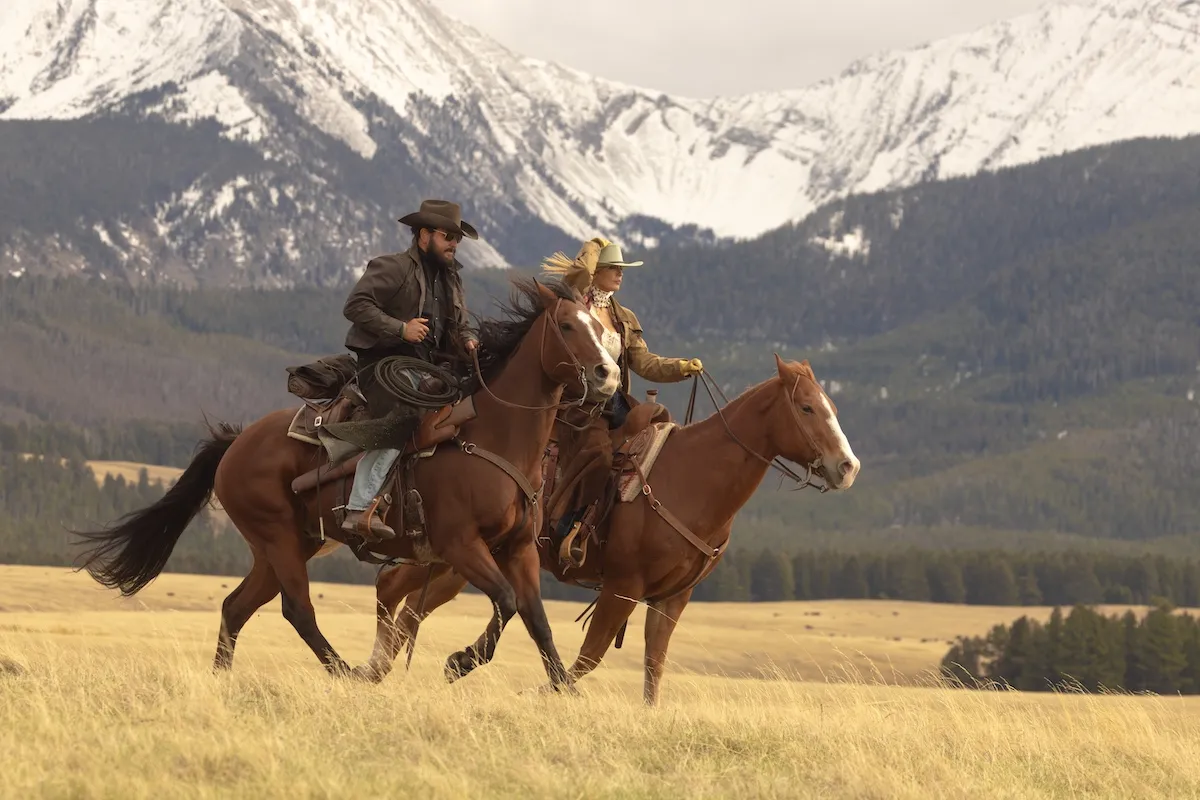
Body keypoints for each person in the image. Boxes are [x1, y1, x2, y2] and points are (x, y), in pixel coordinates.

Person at [541, 237, 703, 564]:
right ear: (597, 270)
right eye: (613, 268)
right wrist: (594, 248)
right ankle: (569, 523)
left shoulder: (623, 316)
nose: (620, 274)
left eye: (622, 269)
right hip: (579, 404)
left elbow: (644, 363)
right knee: (598, 454)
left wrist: (681, 367)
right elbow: (575, 277)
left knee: (658, 438)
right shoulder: (576, 304)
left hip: (614, 401)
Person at [329, 199, 479, 541]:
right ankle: (359, 508)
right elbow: (355, 305)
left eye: (457, 238)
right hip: (383, 365)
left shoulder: (453, 280)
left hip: (429, 370)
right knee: (404, 416)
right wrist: (400, 329)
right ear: (424, 235)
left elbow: (461, 325)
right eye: (448, 236)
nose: (454, 243)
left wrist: (468, 340)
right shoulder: (393, 267)